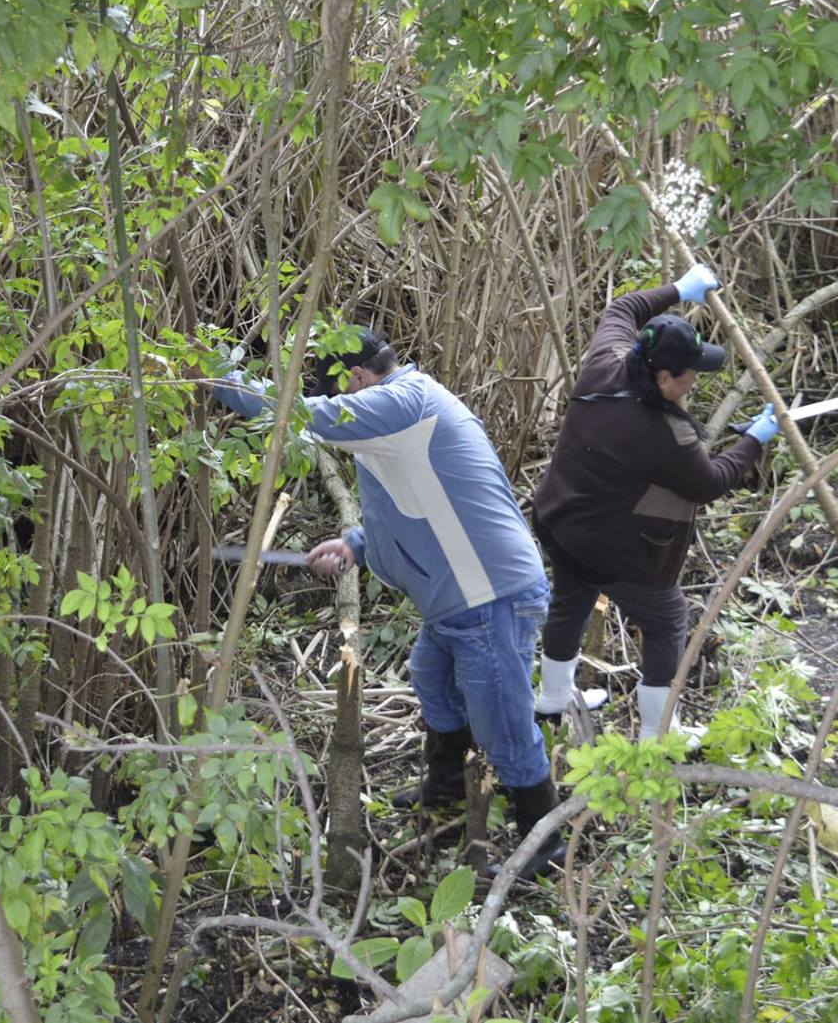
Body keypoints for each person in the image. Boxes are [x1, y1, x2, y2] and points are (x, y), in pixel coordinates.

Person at [213, 330, 564, 873]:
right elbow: (408, 502)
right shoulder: (396, 420)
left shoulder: (402, 402)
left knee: (502, 718)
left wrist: (217, 375)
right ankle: (448, 785)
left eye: (336, 389)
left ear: (356, 380)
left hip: (488, 593)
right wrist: (354, 543)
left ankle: (543, 843)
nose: (334, 399)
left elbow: (297, 415)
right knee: (430, 678)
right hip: (459, 598)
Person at [530, 264, 779, 742]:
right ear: (664, 377)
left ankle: (552, 703)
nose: (693, 383)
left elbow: (624, 307)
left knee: (569, 601)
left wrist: (680, 291)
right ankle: (656, 734)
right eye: (689, 376)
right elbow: (709, 482)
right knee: (668, 621)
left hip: (559, 521)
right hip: (608, 548)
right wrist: (752, 440)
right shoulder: (667, 435)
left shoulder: (609, 361)